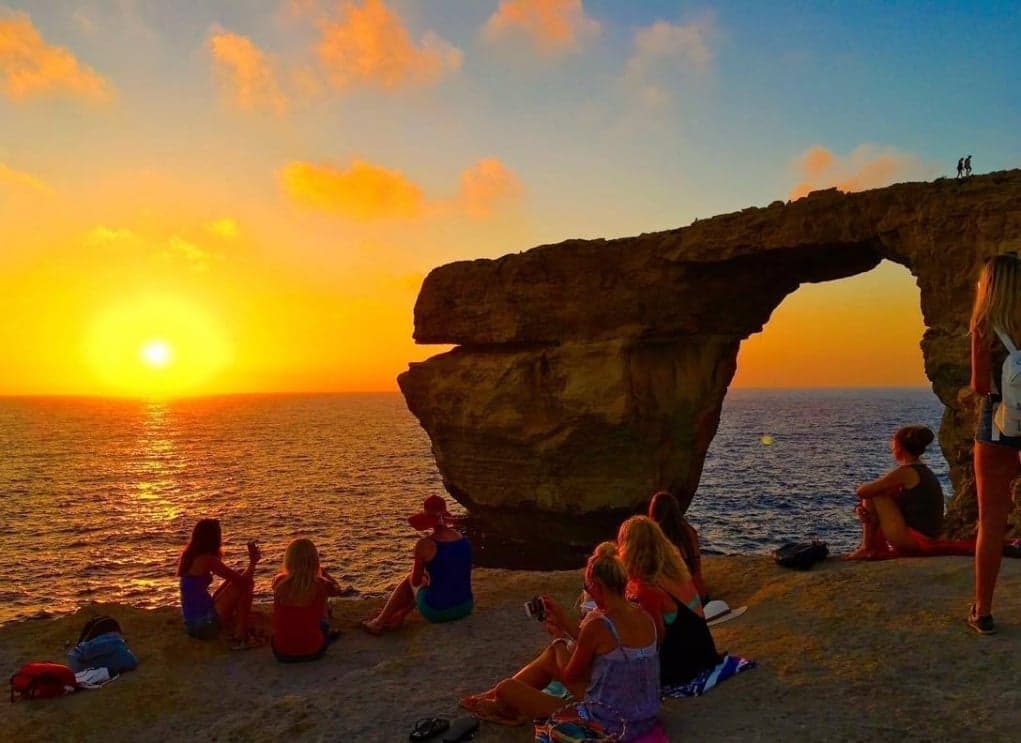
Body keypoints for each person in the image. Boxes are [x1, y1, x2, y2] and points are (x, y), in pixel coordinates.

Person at [460, 542, 660, 739]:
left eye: (587, 587)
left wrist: (558, 639)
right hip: (643, 713)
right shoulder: (644, 616)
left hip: (608, 720)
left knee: (508, 688)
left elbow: (569, 676)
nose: (587, 593)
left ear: (597, 586)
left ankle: (501, 705)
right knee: (552, 655)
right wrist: (563, 621)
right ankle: (494, 696)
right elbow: (603, 647)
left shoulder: (600, 624)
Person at [967, 253, 1021, 634]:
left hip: (1000, 424)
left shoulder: (985, 325)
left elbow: (980, 386)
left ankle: (982, 611)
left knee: (991, 521)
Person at [618, 516, 721, 686]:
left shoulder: (648, 589)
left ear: (628, 548)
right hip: (703, 653)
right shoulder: (676, 573)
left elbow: (654, 640)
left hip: (682, 667)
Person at [361, 495, 473, 634]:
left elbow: (415, 581)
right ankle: (400, 615)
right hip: (465, 606)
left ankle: (379, 622)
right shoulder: (463, 539)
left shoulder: (425, 545)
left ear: (427, 519)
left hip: (438, 612)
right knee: (426, 582)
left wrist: (424, 578)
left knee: (411, 579)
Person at [845, 426, 946, 560]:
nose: (891, 448)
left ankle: (867, 547)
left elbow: (864, 491)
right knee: (877, 493)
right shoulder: (922, 471)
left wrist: (865, 503)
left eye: (893, 443)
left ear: (899, 447)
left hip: (916, 541)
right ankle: (867, 547)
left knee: (875, 493)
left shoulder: (907, 472)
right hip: (925, 539)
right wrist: (861, 508)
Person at [177, 518, 264, 649]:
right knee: (245, 585)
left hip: (192, 623)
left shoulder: (191, 556)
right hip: (205, 625)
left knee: (240, 575)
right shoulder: (207, 559)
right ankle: (240, 637)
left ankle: (240, 629)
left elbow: (235, 577)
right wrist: (253, 562)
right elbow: (242, 582)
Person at [271, 538, 347, 662]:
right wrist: (322, 573)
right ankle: (323, 635)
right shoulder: (321, 584)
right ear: (315, 561)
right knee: (325, 608)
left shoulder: (279, 582)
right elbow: (337, 590)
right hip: (313, 651)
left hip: (281, 653)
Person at [648, 491, 708, 602]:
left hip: (678, 601)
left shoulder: (656, 537)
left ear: (654, 511)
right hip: (699, 595)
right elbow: (696, 566)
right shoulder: (690, 531)